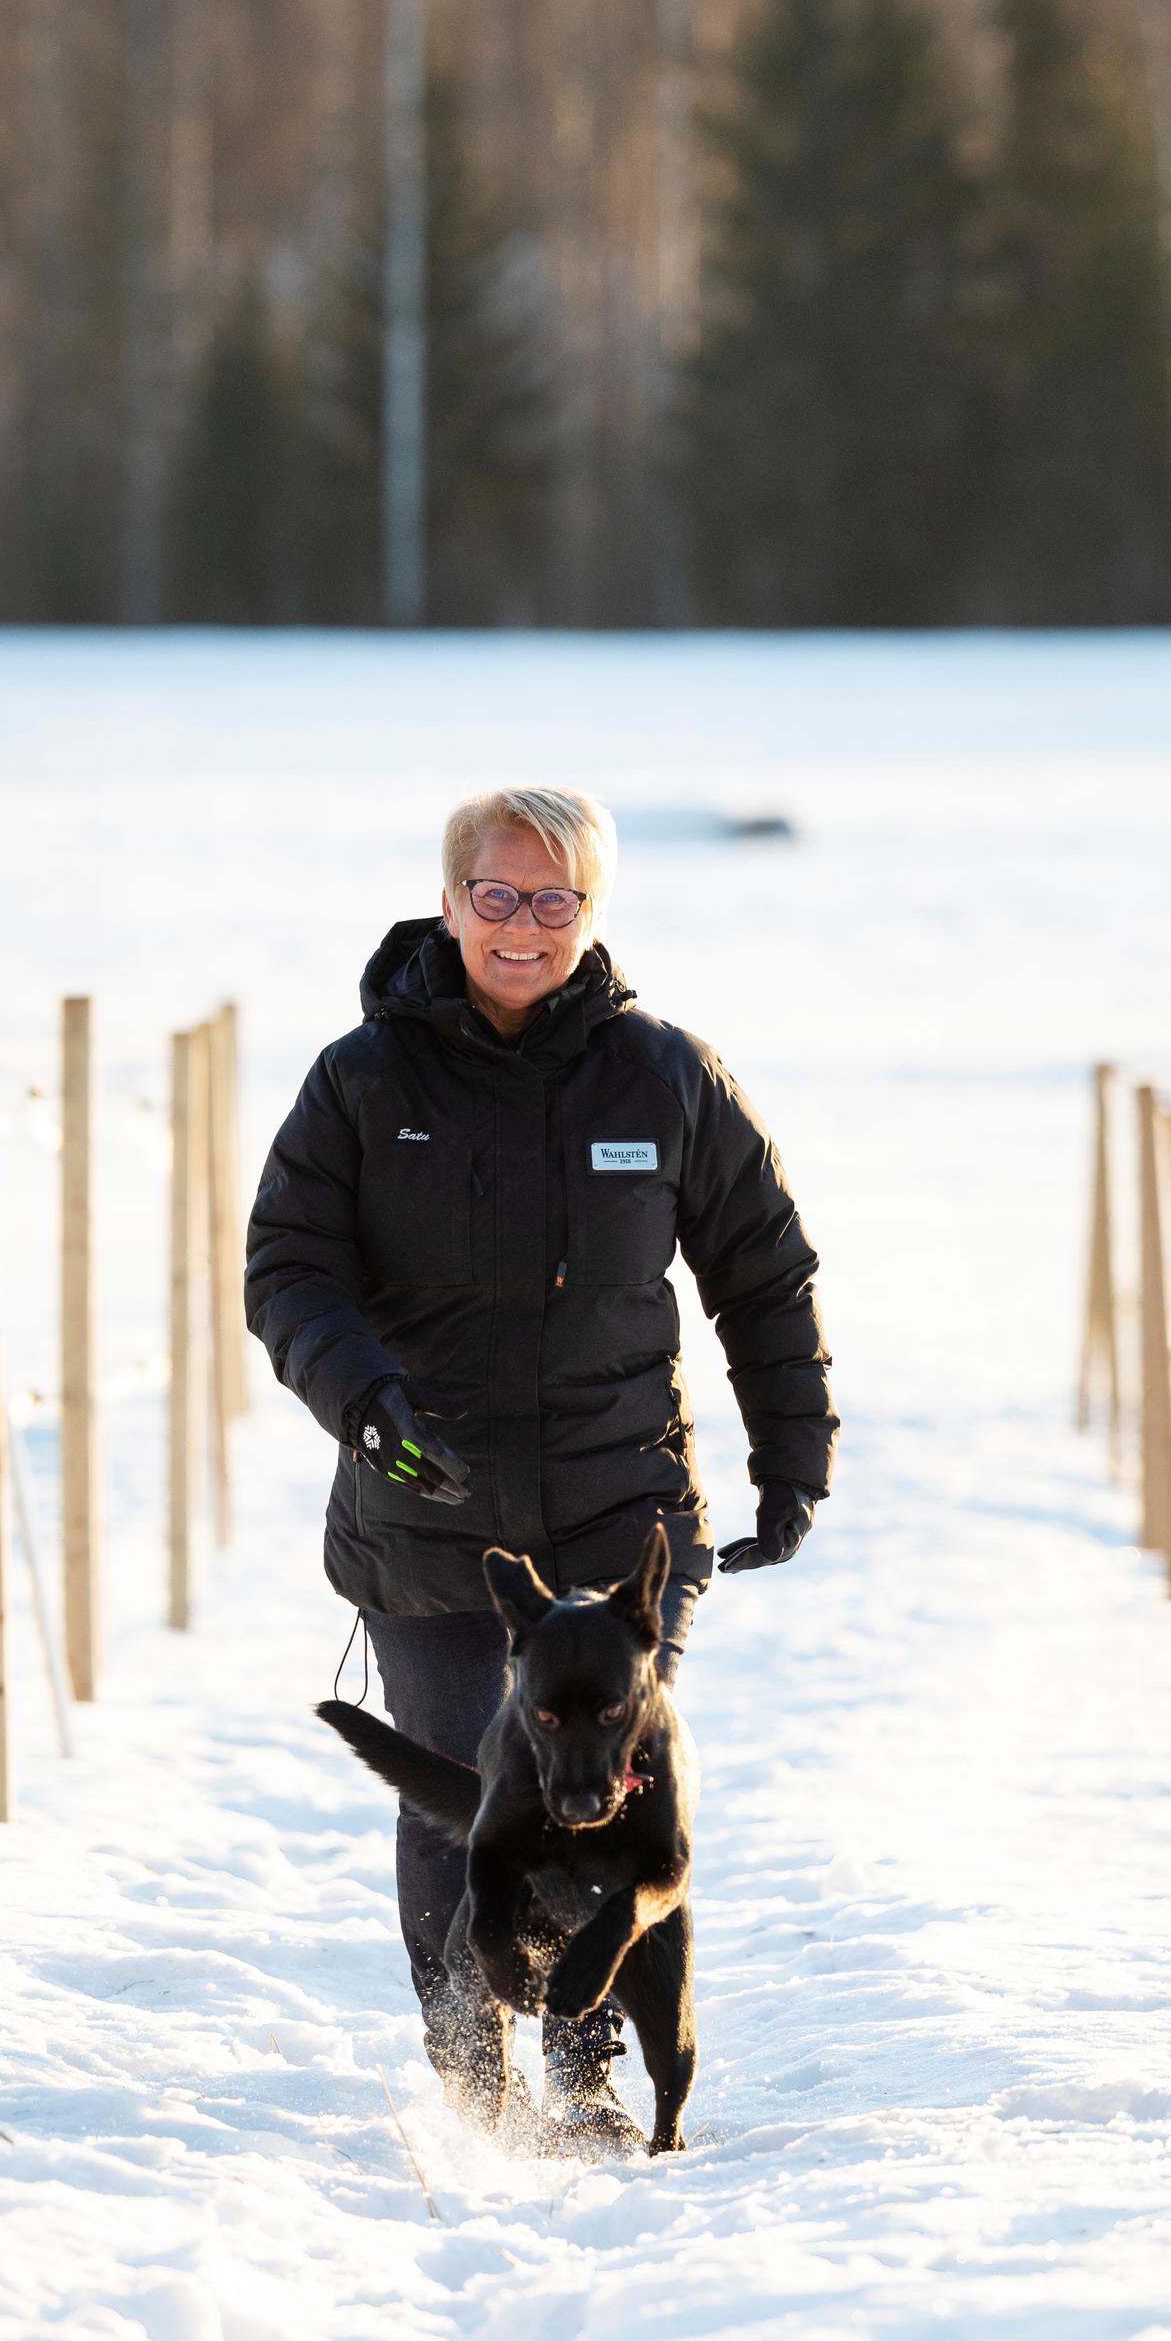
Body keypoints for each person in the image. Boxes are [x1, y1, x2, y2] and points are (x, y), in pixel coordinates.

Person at [245, 785, 837, 2150]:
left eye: (554, 898)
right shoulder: (360, 1079)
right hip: (427, 1515)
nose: (523, 925)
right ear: (448, 901)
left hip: (619, 1523)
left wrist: (790, 1451)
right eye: (497, 896)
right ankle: (471, 2073)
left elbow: (763, 1269)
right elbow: (288, 1267)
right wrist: (366, 1403)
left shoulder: (666, 1074)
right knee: (461, 1781)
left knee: (599, 1788)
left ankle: (582, 2077)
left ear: (593, 911)